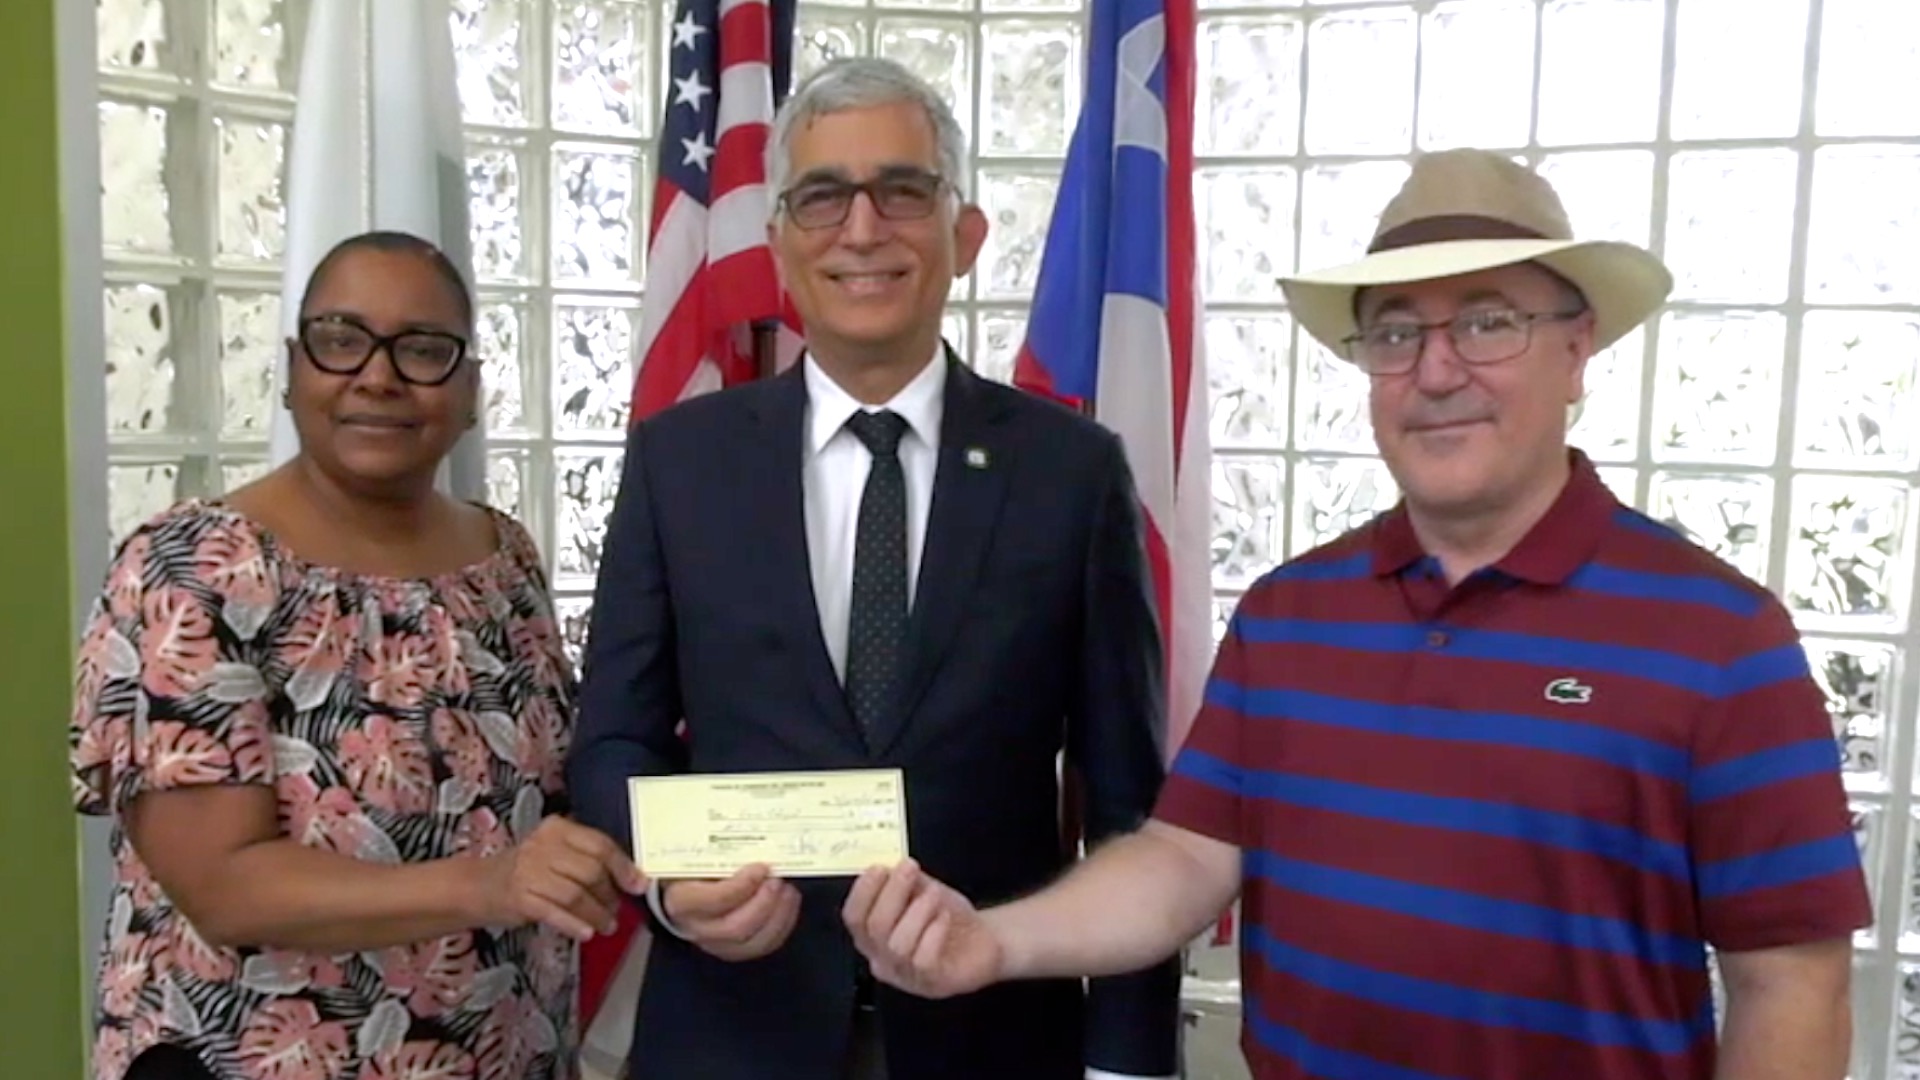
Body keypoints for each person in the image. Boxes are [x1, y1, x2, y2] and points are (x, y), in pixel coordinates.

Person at [840, 148, 1873, 1080]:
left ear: (1577, 350)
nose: (1435, 371)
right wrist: (993, 943)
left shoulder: (1720, 639)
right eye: (1396, 333)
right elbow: (1186, 860)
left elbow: (1792, 984)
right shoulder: (1291, 616)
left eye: (1487, 321)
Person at [567, 57, 1181, 1080]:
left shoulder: (1072, 471)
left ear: (964, 235)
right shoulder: (680, 461)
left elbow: (1127, 798)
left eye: (902, 190)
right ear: (779, 246)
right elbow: (614, 739)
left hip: (994, 1036)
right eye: (822, 197)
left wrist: (1129, 1060)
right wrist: (673, 888)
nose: (862, 230)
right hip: (730, 1033)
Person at [70, 230, 644, 1080]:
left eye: (423, 350)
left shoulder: (504, 558)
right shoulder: (194, 568)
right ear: (294, 371)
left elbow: (542, 795)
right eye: (342, 341)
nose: (378, 376)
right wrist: (490, 883)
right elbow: (224, 888)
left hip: (503, 1052)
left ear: (472, 389)